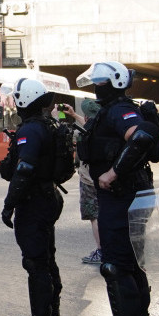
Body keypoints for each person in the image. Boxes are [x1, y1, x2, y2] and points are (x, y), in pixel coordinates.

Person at [76, 60, 157, 316]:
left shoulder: (120, 110)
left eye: (99, 83)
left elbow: (140, 138)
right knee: (129, 267)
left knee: (118, 267)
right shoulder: (112, 110)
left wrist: (112, 172)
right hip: (123, 196)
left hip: (121, 195)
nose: (96, 88)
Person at [0, 78, 66, 316]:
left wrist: (9, 205)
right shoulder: (50, 124)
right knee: (47, 261)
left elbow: (24, 169)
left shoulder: (30, 129)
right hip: (49, 195)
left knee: (36, 264)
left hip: (34, 201)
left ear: (24, 100)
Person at [61, 98, 104, 265]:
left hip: (89, 180)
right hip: (105, 177)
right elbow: (88, 122)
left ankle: (101, 250)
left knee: (95, 216)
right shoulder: (104, 127)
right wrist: (74, 115)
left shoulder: (82, 134)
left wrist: (58, 117)